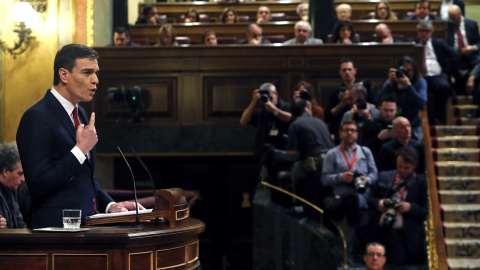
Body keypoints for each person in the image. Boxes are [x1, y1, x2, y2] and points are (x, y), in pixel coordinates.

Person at [16, 44, 144, 229]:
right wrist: (81, 149)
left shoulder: (82, 114)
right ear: (64, 75)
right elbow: (38, 185)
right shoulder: (37, 117)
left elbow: (83, 176)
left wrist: (109, 205)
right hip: (54, 232)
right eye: (87, 72)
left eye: (96, 73)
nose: (95, 80)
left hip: (85, 227)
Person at [322, 120, 378, 264]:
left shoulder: (365, 151)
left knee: (364, 241)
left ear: (357, 134)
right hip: (344, 203)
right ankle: (346, 265)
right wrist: (341, 177)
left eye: (353, 130)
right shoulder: (332, 154)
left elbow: (375, 174)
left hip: (363, 202)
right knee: (346, 241)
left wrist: (367, 180)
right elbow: (324, 179)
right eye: (346, 130)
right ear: (340, 133)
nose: (349, 133)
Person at [273, 99, 333, 219]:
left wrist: (277, 152)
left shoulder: (295, 125)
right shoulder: (320, 122)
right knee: (327, 210)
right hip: (331, 166)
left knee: (312, 210)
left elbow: (292, 153)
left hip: (314, 170)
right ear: (306, 109)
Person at [367, 147, 428, 265]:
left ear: (413, 166)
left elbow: (425, 211)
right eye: (399, 166)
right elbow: (370, 199)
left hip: (403, 236)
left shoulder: (420, 183)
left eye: (406, 168)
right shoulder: (384, 176)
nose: (402, 170)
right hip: (380, 231)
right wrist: (378, 203)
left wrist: (410, 207)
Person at [412, 20, 460, 125]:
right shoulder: (412, 43)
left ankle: (435, 117)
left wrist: (446, 71)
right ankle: (415, 119)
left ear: (431, 32)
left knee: (445, 87)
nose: (424, 33)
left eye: (426, 31)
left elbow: (456, 56)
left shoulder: (438, 43)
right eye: (421, 31)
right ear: (417, 31)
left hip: (436, 76)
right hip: (419, 77)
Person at [325, 59, 376, 142]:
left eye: (349, 69)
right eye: (344, 70)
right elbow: (328, 117)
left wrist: (362, 104)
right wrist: (342, 103)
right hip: (342, 130)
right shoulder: (336, 92)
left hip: (364, 129)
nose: (347, 72)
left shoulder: (365, 89)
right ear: (340, 72)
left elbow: (376, 107)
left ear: (355, 71)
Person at [376, 56, 427, 139]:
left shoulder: (420, 82)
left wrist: (409, 86)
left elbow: (421, 104)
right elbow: (378, 102)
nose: (406, 73)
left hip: (412, 125)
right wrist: (389, 83)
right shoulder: (391, 81)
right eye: (403, 69)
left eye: (409, 70)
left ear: (414, 71)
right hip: (391, 125)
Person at [240, 82, 291, 160]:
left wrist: (274, 110)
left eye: (269, 96)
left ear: (276, 94)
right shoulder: (261, 110)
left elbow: (289, 118)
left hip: (282, 153)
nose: (267, 99)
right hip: (264, 154)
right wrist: (253, 102)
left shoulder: (286, 106)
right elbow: (243, 121)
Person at [447, 5, 480, 94]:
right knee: (446, 65)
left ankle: (471, 78)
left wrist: (473, 47)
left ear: (460, 14)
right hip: (455, 55)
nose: (452, 20)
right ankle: (459, 86)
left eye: (454, 17)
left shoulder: (472, 24)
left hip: (470, 54)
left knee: (479, 61)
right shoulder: (447, 26)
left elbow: (478, 42)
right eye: (450, 17)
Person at [0, 142, 27, 229]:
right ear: (6, 172)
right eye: (20, 174)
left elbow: (21, 226)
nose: (23, 179)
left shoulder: (11, 192)